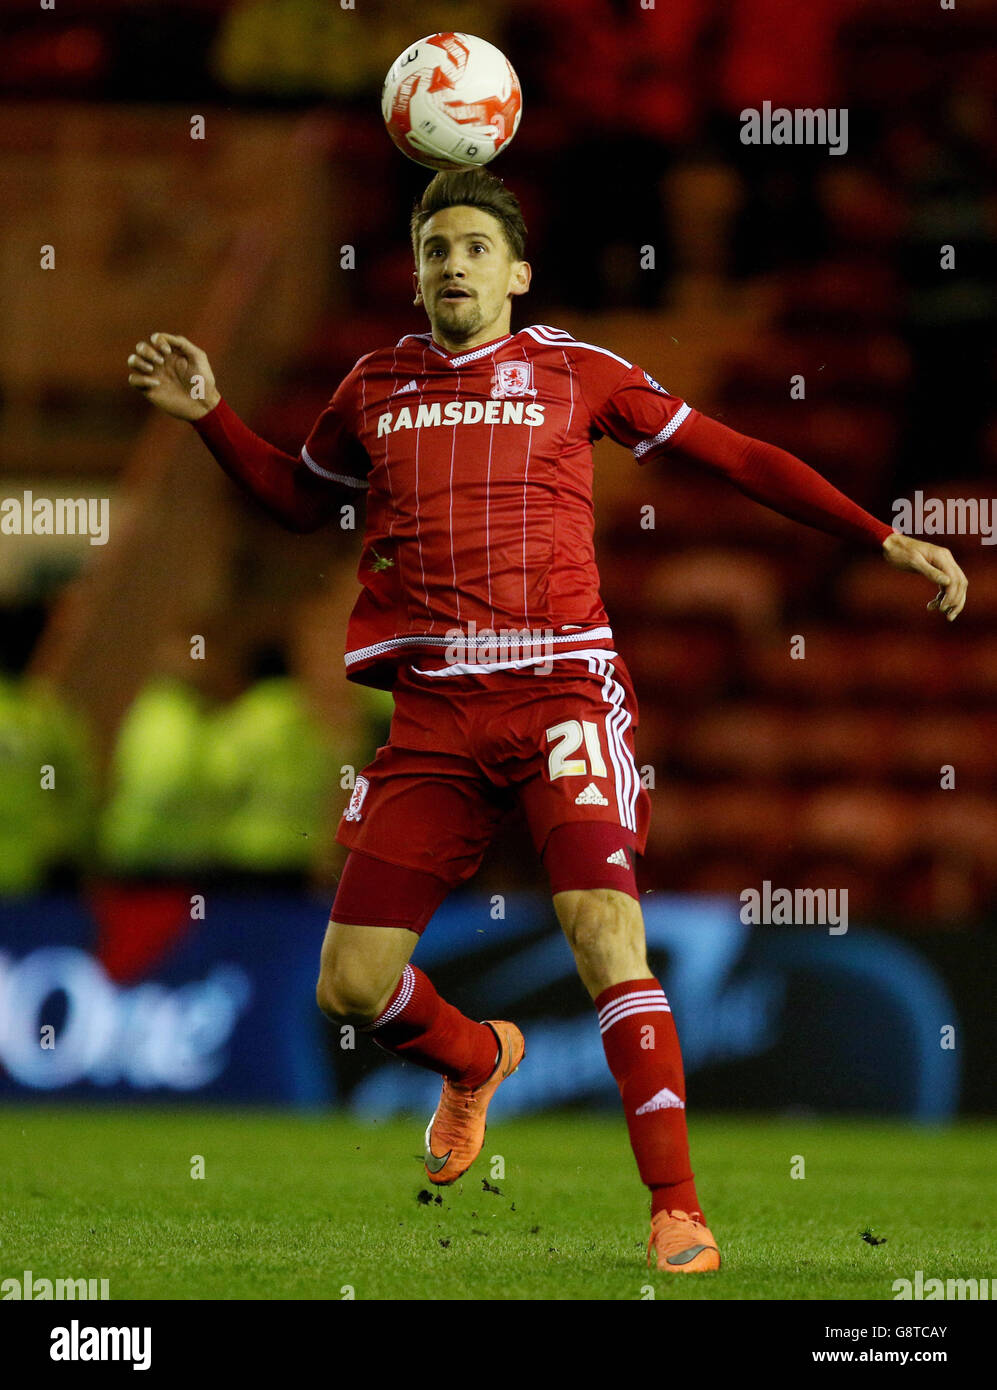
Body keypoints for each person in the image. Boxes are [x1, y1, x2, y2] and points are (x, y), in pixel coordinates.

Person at [127, 167, 967, 1275]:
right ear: (419, 274)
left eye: (475, 247)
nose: (453, 265)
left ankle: (674, 1208)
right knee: (349, 984)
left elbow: (736, 455)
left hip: (559, 690)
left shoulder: (579, 372)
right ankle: (474, 1058)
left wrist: (879, 535)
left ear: (517, 271)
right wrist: (213, 420)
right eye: (435, 250)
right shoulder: (371, 387)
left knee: (603, 930)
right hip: (432, 712)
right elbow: (300, 501)